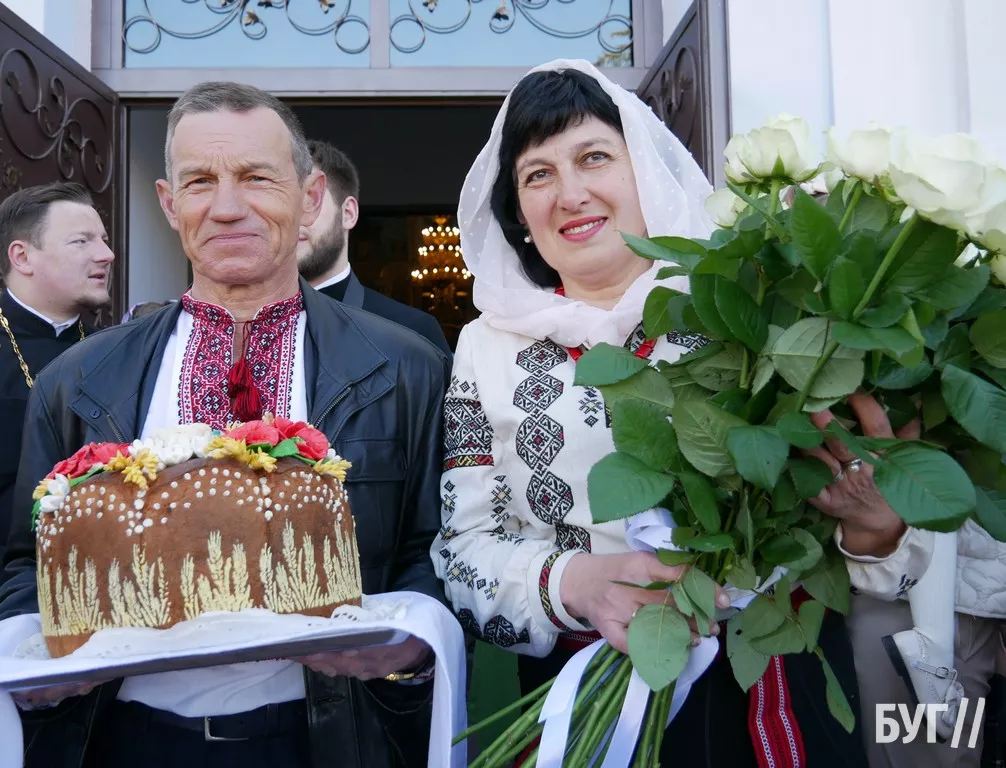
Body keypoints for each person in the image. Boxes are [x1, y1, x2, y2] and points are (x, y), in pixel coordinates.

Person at [431, 59, 896, 766]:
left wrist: (873, 527)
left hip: (770, 688)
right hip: (587, 698)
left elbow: (837, 519)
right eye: (538, 174)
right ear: (518, 215)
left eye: (594, 157)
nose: (571, 194)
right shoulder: (485, 346)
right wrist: (579, 583)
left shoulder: (749, 302)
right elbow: (464, 551)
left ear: (644, 167)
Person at [0, 81, 449, 768]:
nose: (227, 206)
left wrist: (408, 649)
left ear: (311, 197)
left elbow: (436, 548)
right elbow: (26, 563)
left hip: (331, 739)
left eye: (257, 178)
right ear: (168, 202)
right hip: (122, 739)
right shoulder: (77, 381)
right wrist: (39, 663)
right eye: (200, 181)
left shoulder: (405, 368)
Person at [0, 182, 113, 562]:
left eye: (104, 240)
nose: (106, 255)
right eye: (82, 241)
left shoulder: (115, 352)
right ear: (22, 257)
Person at [296, 140, 452, 357]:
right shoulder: (249, 328)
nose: (292, 218)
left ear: (348, 214)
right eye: (283, 203)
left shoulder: (414, 332)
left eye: (310, 200)